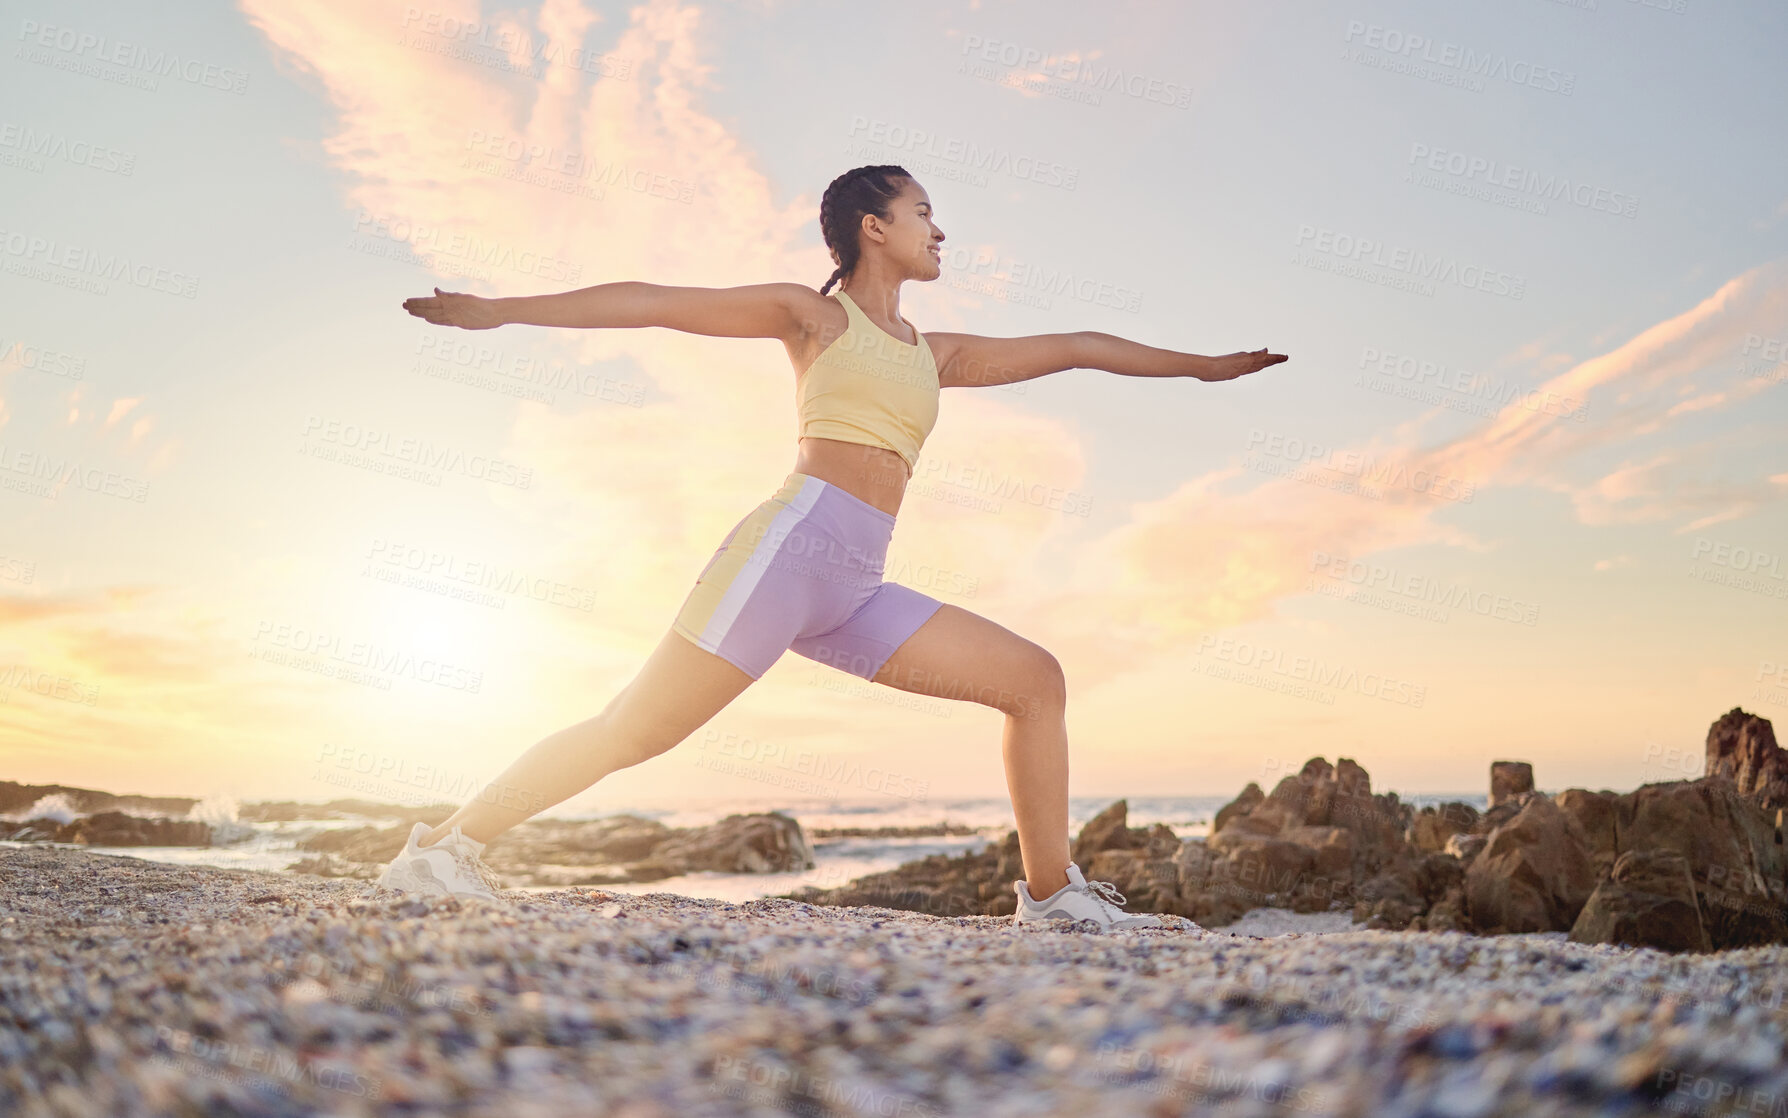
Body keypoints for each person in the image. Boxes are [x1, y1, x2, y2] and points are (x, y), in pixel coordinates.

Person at [383, 164, 1287, 930]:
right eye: (924, 212)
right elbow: (656, 303)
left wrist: (1204, 368)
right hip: (787, 553)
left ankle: (1052, 898)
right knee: (633, 731)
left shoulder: (936, 352)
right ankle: (442, 850)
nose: (941, 229)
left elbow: (1076, 346)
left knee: (1033, 681)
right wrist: (501, 311)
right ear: (873, 227)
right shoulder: (810, 318)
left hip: (858, 584)